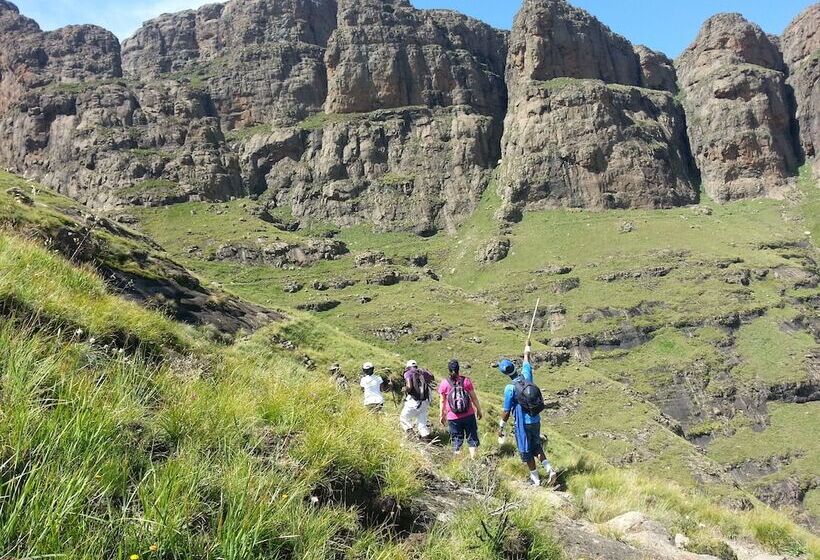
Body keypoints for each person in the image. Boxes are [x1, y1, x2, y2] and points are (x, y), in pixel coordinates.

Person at [497, 344, 557, 487]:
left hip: (522, 424)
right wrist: (526, 350)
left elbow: (506, 411)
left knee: (526, 450)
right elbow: (527, 361)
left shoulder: (509, 388)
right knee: (537, 446)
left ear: (505, 373)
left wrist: (501, 426)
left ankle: (535, 480)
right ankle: (549, 469)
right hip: (535, 419)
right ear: (514, 367)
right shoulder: (527, 374)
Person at [438, 359, 483, 458]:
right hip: (469, 415)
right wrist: (479, 410)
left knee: (456, 440)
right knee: (472, 437)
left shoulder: (444, 383)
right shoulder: (466, 381)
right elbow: (474, 398)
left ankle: (458, 463)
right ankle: (474, 460)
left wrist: (442, 415)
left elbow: (442, 401)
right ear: (459, 369)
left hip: (453, 417)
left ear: (448, 370)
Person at [400, 360, 434, 439]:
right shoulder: (422, 372)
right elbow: (432, 378)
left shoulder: (408, 373)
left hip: (413, 401)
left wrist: (404, 389)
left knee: (403, 418)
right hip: (424, 402)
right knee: (422, 424)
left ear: (407, 367)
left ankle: (411, 436)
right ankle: (427, 443)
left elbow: (409, 386)